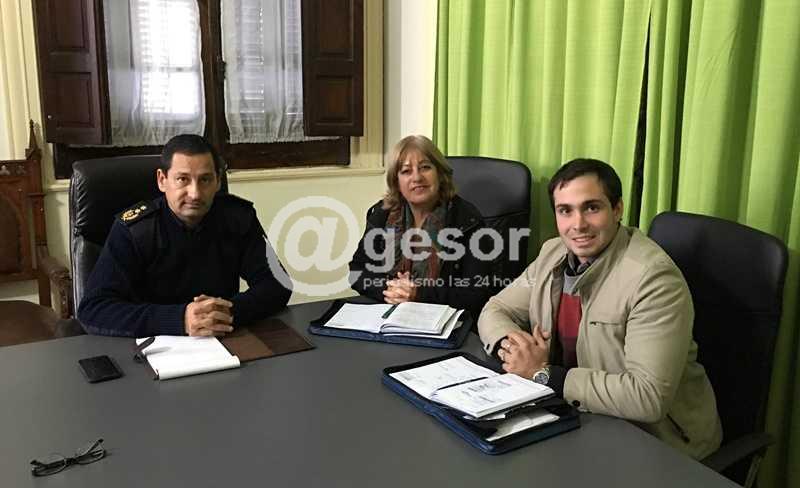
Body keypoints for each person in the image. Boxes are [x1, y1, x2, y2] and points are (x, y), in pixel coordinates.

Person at [478, 158, 722, 459]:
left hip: (658, 444)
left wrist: (543, 375)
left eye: (591, 207)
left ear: (617, 209)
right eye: (565, 210)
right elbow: (496, 309)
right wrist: (515, 350)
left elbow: (648, 397)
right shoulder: (553, 253)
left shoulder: (653, 279)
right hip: (581, 418)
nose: (578, 224)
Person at [78, 134, 291, 337]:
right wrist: (180, 319)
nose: (195, 193)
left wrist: (227, 312)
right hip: (153, 345)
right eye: (182, 179)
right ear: (162, 180)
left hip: (222, 339)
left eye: (205, 180)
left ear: (218, 181)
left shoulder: (237, 218)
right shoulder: (135, 229)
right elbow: (94, 309)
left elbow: (278, 283)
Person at [349, 135, 493, 319]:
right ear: (396, 181)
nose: (417, 177)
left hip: (443, 321)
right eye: (406, 171)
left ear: (440, 174)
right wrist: (390, 290)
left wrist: (419, 294)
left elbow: (477, 293)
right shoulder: (383, 213)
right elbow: (357, 271)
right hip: (389, 315)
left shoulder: (467, 220)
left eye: (425, 167)